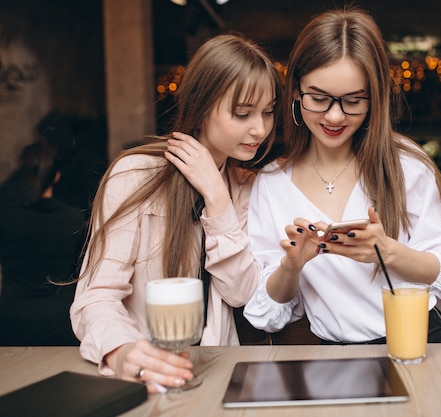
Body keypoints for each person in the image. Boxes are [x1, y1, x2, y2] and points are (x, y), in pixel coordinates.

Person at [243, 8, 441, 345]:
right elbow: (269, 315)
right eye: (319, 98)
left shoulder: (405, 166)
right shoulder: (272, 183)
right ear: (295, 91)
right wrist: (291, 266)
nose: (334, 116)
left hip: (418, 341)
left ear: (374, 98)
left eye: (353, 101)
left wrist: (387, 252)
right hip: (333, 357)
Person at [70, 33, 281, 393]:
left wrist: (217, 197)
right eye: (242, 113)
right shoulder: (136, 175)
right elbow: (96, 297)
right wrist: (123, 351)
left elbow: (241, 292)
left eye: (268, 112)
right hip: (146, 376)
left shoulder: (246, 186)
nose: (260, 129)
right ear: (200, 107)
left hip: (219, 374)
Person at [0, 142, 84, 346]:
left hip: (13, 319)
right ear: (56, 176)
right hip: (62, 320)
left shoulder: (6, 215)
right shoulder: (73, 218)